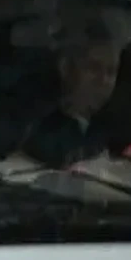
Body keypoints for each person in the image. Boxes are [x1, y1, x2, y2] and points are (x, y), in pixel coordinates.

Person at [18, 20, 121, 167]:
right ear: (65, 67)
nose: (103, 80)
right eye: (93, 68)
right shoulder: (38, 129)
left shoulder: (115, 128)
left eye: (111, 72)